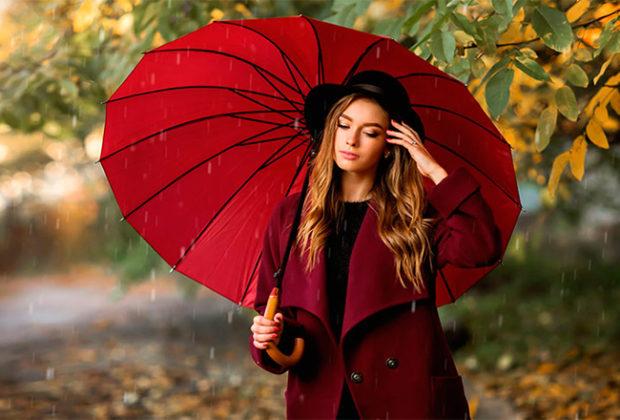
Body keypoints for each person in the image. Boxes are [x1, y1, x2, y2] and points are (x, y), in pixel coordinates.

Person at [249, 70, 502, 419]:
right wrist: (270, 334)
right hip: (323, 398)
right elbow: (277, 314)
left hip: (403, 398)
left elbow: (481, 246)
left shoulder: (414, 217)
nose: (351, 140)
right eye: (343, 125)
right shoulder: (291, 217)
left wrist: (434, 171)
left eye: (370, 132)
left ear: (389, 147)